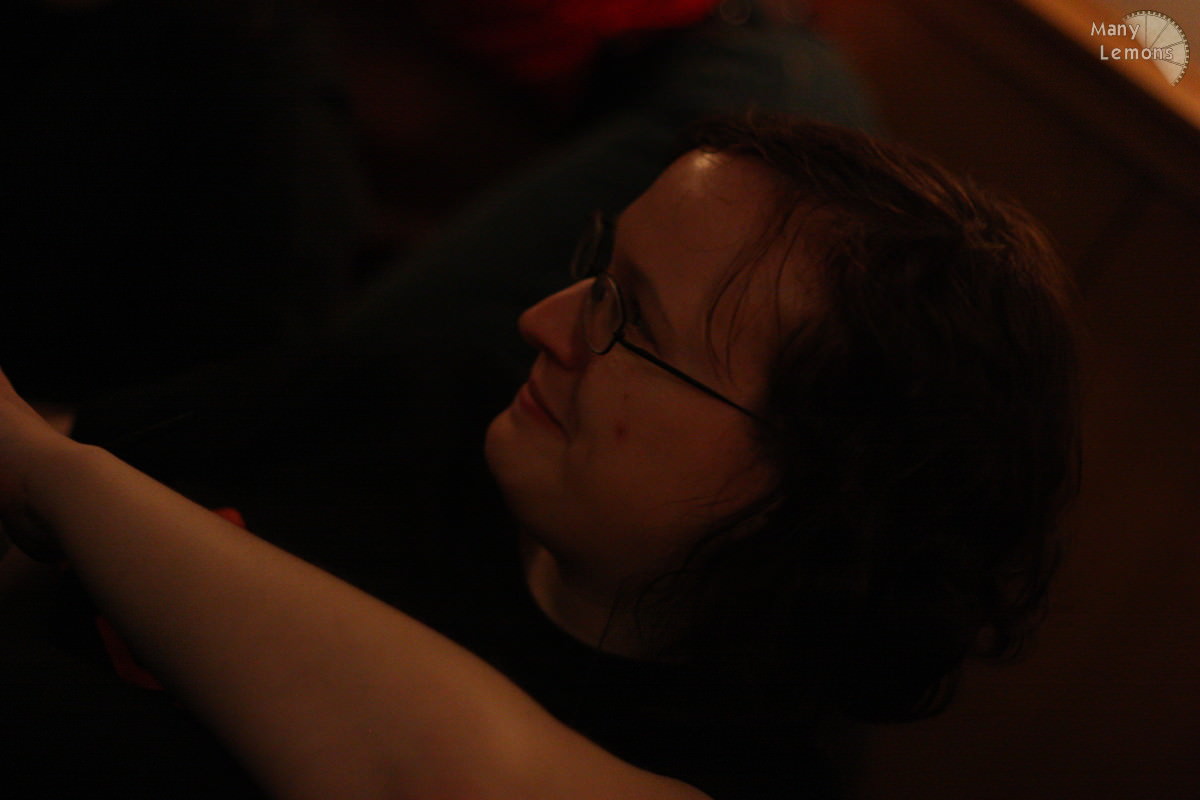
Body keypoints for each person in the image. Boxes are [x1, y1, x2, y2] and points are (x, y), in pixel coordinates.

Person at [0, 112, 1079, 799]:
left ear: (817, 483)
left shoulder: (738, 768)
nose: (545, 322)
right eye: (600, 271)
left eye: (631, 321)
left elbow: (433, 771)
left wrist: (53, 473)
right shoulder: (431, 400)